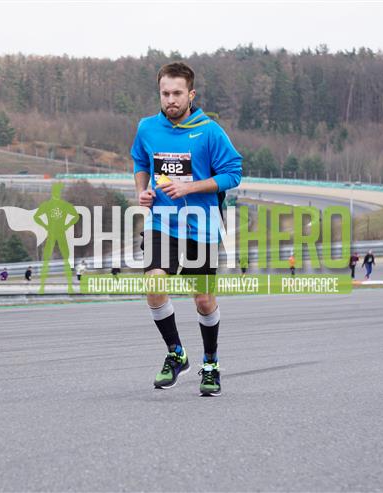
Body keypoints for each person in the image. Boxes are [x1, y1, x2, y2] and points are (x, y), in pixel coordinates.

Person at [131, 61, 242, 396]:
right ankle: (176, 353)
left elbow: (233, 174)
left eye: (177, 93)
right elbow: (140, 161)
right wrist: (142, 191)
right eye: (165, 93)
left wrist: (190, 188)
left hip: (202, 227)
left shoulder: (209, 131)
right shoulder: (147, 128)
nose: (171, 100)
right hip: (162, 222)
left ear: (191, 94)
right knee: (154, 283)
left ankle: (211, 363)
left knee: (203, 300)